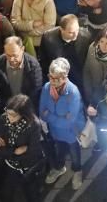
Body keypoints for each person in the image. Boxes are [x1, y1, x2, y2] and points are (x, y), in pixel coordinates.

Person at [39, 57, 87, 190]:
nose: (53, 82)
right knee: (59, 150)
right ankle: (60, 168)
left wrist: (50, 116)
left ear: (65, 77)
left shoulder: (73, 92)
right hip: (55, 130)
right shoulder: (46, 87)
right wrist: (60, 117)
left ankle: (77, 170)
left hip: (72, 131)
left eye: (58, 78)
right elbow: (42, 112)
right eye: (51, 77)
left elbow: (70, 121)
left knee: (74, 152)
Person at [0, 93, 48, 202]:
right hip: (11, 166)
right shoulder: (3, 119)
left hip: (28, 167)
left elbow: (32, 153)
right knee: (6, 194)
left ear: (24, 114)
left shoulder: (34, 125)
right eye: (8, 113)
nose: (9, 117)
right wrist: (14, 151)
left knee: (32, 195)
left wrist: (5, 149)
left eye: (14, 115)